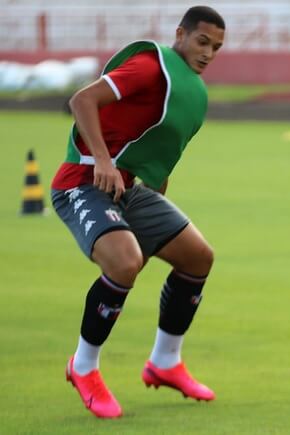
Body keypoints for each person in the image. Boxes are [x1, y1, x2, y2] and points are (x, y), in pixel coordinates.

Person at [51, 6, 225, 418]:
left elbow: (159, 162)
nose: (208, 53)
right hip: (83, 181)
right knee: (126, 262)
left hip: (128, 188)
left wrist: (152, 214)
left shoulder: (191, 91)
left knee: (198, 257)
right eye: (202, 42)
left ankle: (165, 362)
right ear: (180, 34)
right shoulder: (150, 68)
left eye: (216, 48)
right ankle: (84, 366)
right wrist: (102, 159)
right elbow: (82, 100)